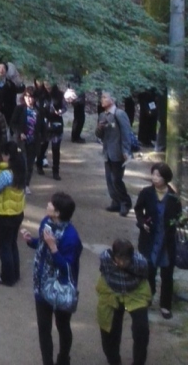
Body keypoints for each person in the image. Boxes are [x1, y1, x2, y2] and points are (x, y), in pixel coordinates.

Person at [21, 190, 83, 365]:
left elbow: (67, 269)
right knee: (44, 327)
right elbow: (42, 245)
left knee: (63, 326)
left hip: (61, 288)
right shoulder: (46, 223)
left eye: (51, 204)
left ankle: (63, 358)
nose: (47, 205)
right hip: (41, 284)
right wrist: (31, 241)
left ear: (57, 212)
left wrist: (54, 248)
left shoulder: (71, 238)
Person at [134, 161, 182, 320]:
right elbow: (138, 209)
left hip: (166, 241)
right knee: (149, 271)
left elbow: (178, 216)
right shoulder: (146, 192)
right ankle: (148, 297)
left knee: (167, 274)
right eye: (153, 174)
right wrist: (142, 222)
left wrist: (175, 222)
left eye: (158, 175)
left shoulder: (173, 197)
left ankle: (165, 305)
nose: (155, 178)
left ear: (165, 178)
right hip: (149, 238)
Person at [95, 239, 151, 365]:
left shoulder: (141, 263)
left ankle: (139, 362)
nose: (121, 263)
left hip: (135, 292)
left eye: (125, 260)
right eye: (118, 259)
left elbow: (145, 277)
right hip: (112, 291)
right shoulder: (105, 259)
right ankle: (113, 360)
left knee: (141, 329)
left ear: (131, 257)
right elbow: (103, 272)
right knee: (109, 327)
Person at [0, 139, 27, 286]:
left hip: (6, 215)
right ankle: (15, 274)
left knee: (4, 246)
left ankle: (7, 277)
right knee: (12, 244)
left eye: (3, 154)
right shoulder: (21, 171)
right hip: (17, 212)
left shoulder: (6, 174)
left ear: (7, 155)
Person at [95, 92, 133, 216]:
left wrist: (126, 151)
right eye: (102, 97)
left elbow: (126, 133)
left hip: (118, 152)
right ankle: (115, 202)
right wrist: (99, 128)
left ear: (112, 100)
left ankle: (125, 203)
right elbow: (99, 135)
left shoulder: (120, 114)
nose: (102, 99)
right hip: (107, 152)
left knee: (116, 179)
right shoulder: (102, 115)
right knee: (109, 179)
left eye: (105, 97)